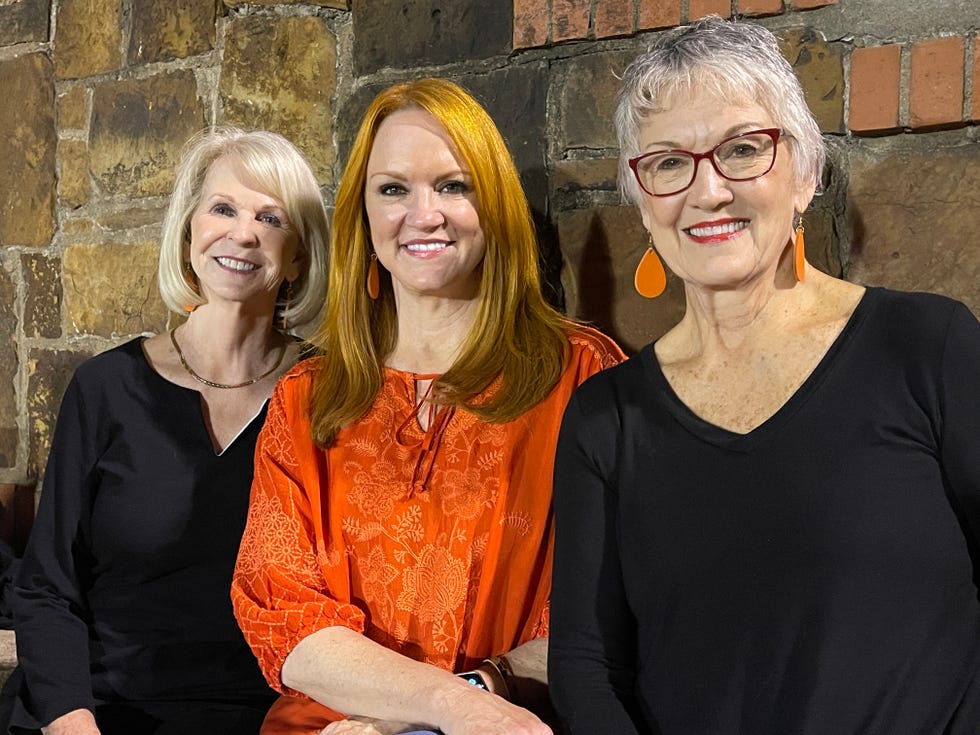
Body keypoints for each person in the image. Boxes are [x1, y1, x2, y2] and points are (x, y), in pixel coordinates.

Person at [548, 15, 980, 735]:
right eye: (668, 162)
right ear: (643, 198)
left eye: (743, 149)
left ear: (806, 173)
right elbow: (587, 668)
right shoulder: (605, 416)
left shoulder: (927, 347)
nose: (708, 190)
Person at [230, 77, 624, 735]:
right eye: (393, 189)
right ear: (363, 216)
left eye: (453, 185)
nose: (424, 213)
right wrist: (441, 706)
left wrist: (462, 702)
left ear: (492, 205)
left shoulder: (581, 375)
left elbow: (607, 612)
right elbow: (284, 612)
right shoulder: (306, 398)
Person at [8, 127, 330, 735]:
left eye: (271, 218)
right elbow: (45, 586)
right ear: (189, 235)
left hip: (268, 719)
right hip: (99, 713)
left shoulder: (330, 393)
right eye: (223, 208)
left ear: (297, 257)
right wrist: (71, 722)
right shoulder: (104, 387)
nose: (243, 233)